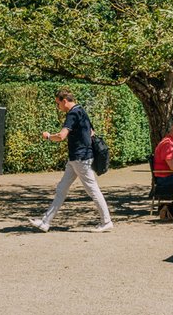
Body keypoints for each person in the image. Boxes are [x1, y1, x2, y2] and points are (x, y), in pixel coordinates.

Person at [29, 89, 113, 233]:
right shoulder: (81, 111)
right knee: (62, 189)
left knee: (93, 190)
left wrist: (48, 136)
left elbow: (61, 136)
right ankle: (45, 222)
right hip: (77, 158)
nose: (58, 107)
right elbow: (91, 132)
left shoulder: (73, 113)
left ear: (64, 101)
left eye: (58, 104)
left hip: (80, 159)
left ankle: (106, 221)